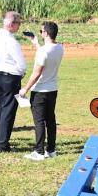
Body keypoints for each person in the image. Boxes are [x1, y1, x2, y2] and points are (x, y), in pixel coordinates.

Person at [19, 21, 64, 160]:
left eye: (41, 31)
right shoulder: (60, 48)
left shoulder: (44, 51)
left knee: (39, 122)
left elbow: (37, 72)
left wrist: (25, 89)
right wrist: (35, 42)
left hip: (39, 91)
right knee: (50, 120)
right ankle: (51, 150)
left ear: (45, 33)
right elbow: (46, 53)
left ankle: (39, 152)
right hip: (52, 90)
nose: (41, 32)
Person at [0, 11, 27, 152]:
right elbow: (21, 63)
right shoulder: (11, 40)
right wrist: (22, 73)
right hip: (10, 78)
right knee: (8, 112)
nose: (19, 26)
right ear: (11, 24)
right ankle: (2, 145)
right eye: (18, 23)